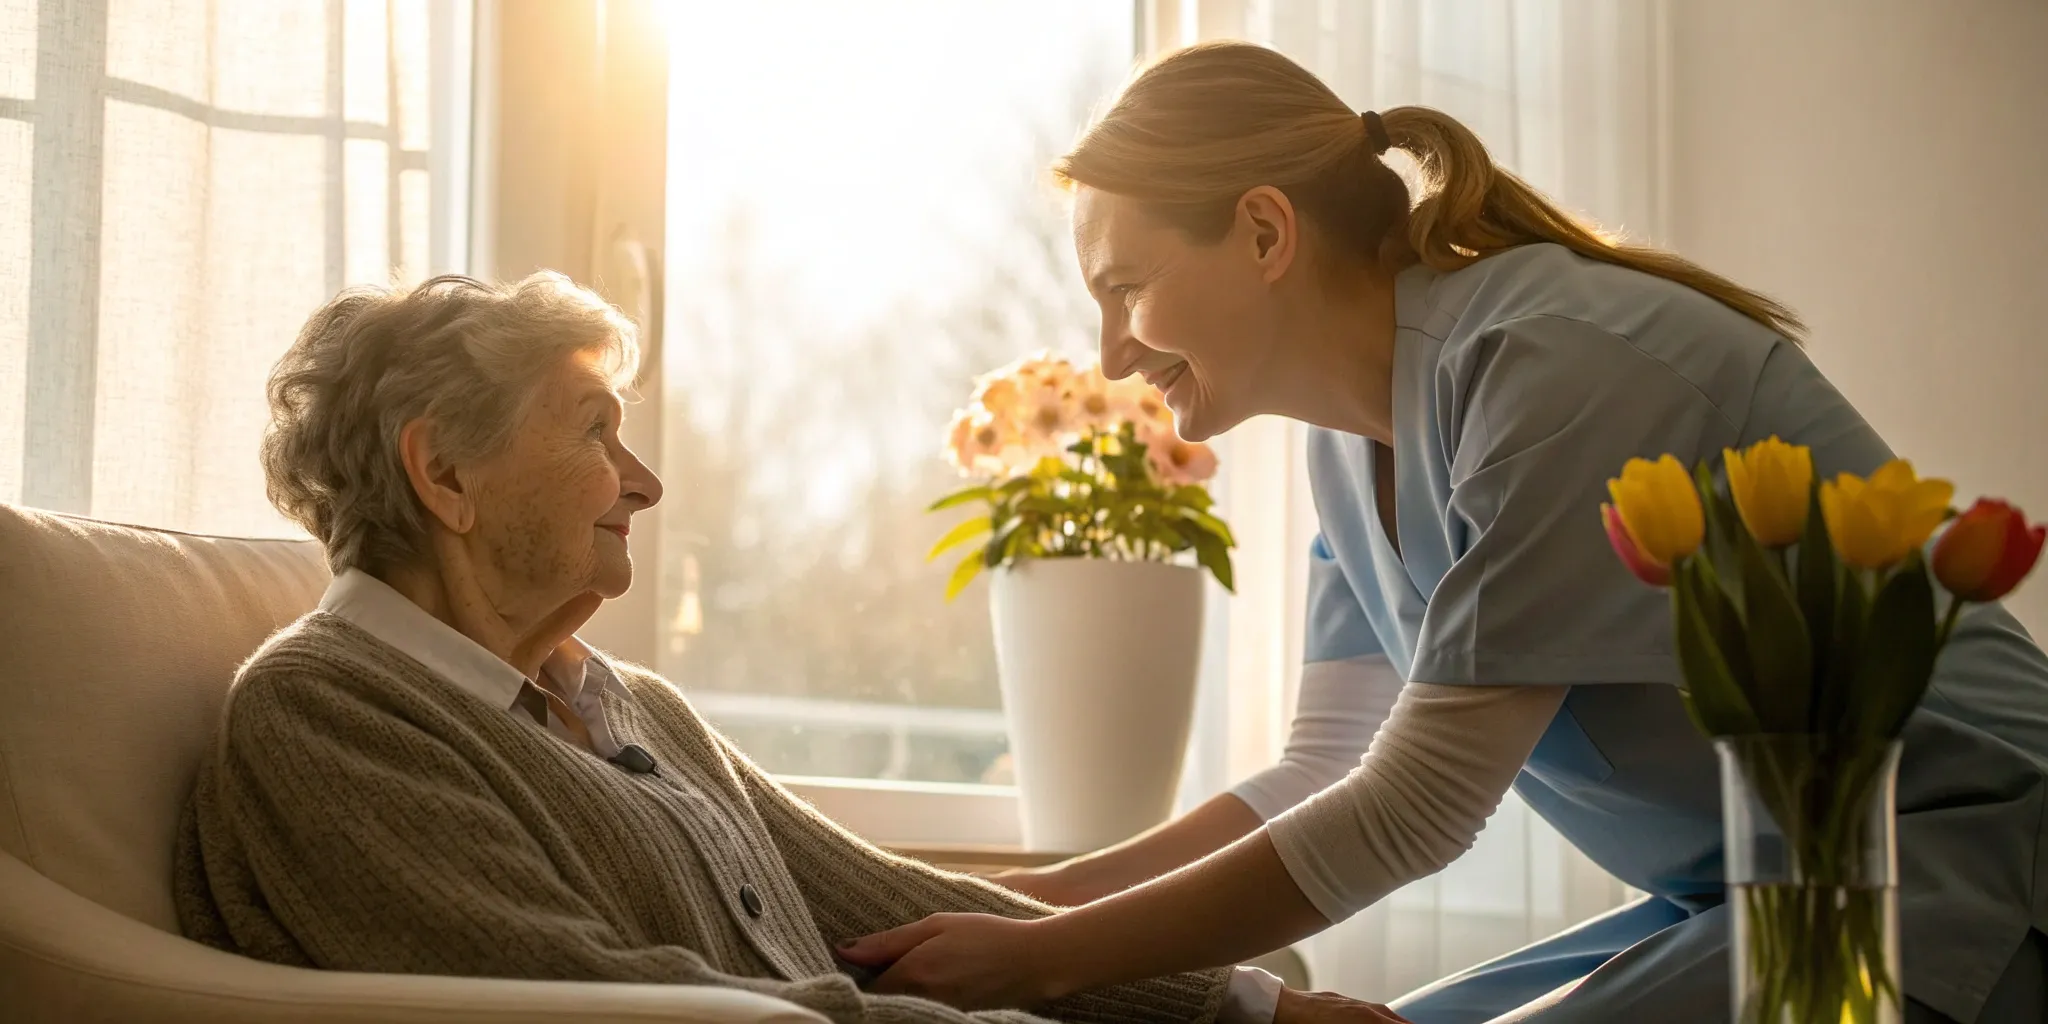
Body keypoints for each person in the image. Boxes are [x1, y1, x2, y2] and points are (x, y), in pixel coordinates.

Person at [833, 41, 2048, 1024]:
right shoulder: (1343, 444)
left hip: (1954, 859)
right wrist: (1038, 903)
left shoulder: (1546, 364)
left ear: (1262, 233)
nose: (1110, 353)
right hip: (1737, 892)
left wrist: (1045, 962)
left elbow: (1416, 806)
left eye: (1123, 287)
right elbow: (1320, 770)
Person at [172, 272, 1399, 1023]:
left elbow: (890, 915)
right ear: (443, 472)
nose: (641, 484)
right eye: (597, 431)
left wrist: (1247, 1009)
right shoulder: (325, 714)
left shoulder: (628, 704)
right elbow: (614, 1007)